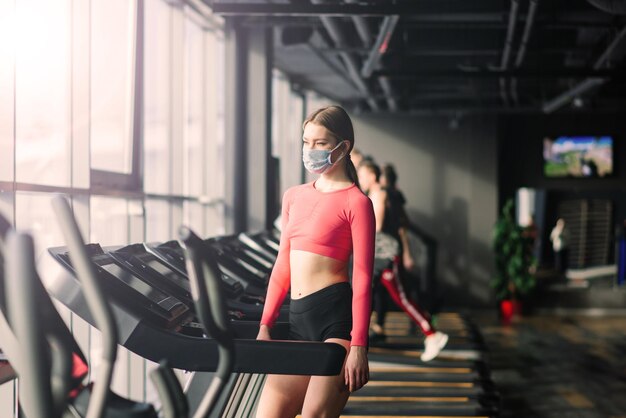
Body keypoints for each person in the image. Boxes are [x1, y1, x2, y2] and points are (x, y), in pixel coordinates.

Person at [255, 106, 375, 418]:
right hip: (297, 322)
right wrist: (265, 324)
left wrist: (359, 346)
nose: (310, 150)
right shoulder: (293, 196)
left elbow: (362, 277)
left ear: (343, 147)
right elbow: (283, 265)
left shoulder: (357, 203)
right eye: (306, 142)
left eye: (320, 144)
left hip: (334, 322)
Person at [358, 160, 448, 362]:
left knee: (403, 299)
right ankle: (358, 339)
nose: (360, 179)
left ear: (372, 176)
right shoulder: (376, 195)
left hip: (387, 256)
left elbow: (377, 227)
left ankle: (432, 334)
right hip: (379, 256)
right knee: (369, 295)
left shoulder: (379, 195)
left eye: (362, 175)